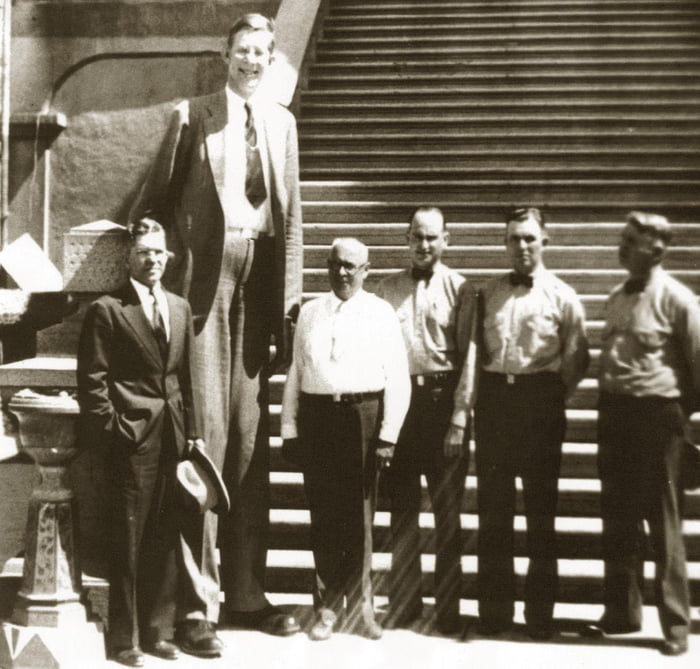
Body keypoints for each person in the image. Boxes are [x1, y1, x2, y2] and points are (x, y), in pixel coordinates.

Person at [129, 13, 303, 640]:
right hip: (203, 293)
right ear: (224, 55)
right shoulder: (192, 115)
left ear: (271, 58)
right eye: (241, 51)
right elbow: (151, 206)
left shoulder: (282, 124)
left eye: (261, 52)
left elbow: (293, 223)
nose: (251, 62)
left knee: (251, 447)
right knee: (204, 446)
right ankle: (196, 609)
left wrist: (287, 311)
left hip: (257, 295)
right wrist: (162, 281)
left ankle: (248, 594)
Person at [77, 218, 219, 666]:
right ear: (128, 259)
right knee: (128, 539)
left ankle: (159, 631)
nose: (153, 260)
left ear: (167, 258)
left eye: (159, 253)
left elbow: (186, 379)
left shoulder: (178, 307)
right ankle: (125, 640)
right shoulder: (108, 310)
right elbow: (93, 382)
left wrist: (192, 433)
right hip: (131, 440)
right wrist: (116, 430)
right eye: (144, 253)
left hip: (174, 440)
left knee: (165, 536)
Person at [450, 206, 589, 639]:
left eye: (530, 238)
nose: (522, 246)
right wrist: (465, 407)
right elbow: (474, 351)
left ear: (545, 241)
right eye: (514, 238)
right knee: (494, 513)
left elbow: (577, 357)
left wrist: (547, 397)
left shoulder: (563, 296)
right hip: (495, 403)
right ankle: (494, 613)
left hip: (539, 404)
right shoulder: (488, 293)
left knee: (540, 515)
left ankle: (540, 616)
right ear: (505, 243)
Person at [581, 212, 700, 656]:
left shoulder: (680, 301)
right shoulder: (615, 296)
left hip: (658, 420)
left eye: (632, 241)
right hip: (615, 417)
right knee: (618, 519)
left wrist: (677, 420)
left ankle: (674, 625)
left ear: (658, 250)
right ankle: (621, 612)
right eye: (623, 239)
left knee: (665, 526)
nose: (622, 247)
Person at [280, 238, 411, 641]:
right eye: (336, 265)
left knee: (359, 516)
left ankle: (361, 606)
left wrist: (388, 435)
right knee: (323, 515)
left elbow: (399, 380)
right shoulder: (311, 313)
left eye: (352, 266)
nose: (343, 273)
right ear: (327, 266)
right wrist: (289, 427)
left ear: (366, 270)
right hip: (319, 418)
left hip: (363, 417)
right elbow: (296, 373)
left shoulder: (381, 313)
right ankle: (326, 608)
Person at [376, 206, 476, 634]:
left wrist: (458, 415)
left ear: (446, 240)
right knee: (401, 511)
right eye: (417, 236)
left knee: (447, 512)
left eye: (432, 237)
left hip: (442, 402)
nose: (424, 245)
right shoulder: (385, 288)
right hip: (400, 404)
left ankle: (450, 608)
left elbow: (470, 354)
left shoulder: (462, 289)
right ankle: (404, 603)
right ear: (407, 239)